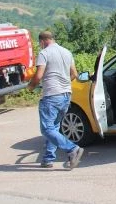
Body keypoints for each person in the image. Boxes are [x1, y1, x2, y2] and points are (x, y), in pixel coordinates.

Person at [27, 30, 85, 168]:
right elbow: (74, 74)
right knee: (54, 128)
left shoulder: (44, 53)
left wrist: (31, 86)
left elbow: (39, 75)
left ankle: (72, 149)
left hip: (52, 96)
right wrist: (63, 83)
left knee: (47, 129)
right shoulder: (67, 52)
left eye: (40, 44)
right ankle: (48, 159)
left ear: (42, 41)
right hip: (66, 95)